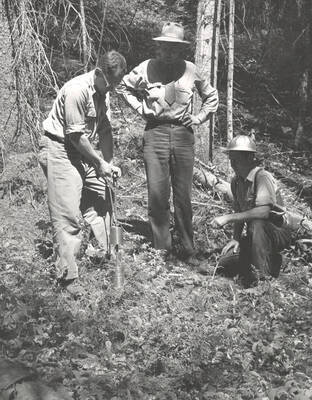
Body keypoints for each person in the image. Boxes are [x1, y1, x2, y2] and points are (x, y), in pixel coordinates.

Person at [117, 22, 218, 265]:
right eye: (165, 47)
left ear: (181, 50)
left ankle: (187, 248)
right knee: (157, 193)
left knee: (182, 195)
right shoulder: (146, 68)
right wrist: (142, 109)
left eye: (174, 48)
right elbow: (123, 87)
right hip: (155, 133)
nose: (169, 52)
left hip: (183, 135)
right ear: (158, 47)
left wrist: (198, 118)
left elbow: (211, 97)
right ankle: (162, 249)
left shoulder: (191, 70)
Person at [39, 50, 127, 292]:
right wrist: (99, 163)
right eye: (112, 83)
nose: (113, 89)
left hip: (82, 152)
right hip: (60, 149)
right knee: (67, 212)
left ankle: (104, 252)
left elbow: (106, 130)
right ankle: (67, 277)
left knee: (102, 194)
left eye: (117, 84)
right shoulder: (77, 90)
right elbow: (76, 136)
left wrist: (108, 164)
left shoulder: (103, 92)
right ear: (99, 73)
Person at [211, 135, 291, 286]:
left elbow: (263, 212)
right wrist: (235, 238)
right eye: (231, 159)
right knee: (224, 263)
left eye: (237, 160)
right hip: (256, 235)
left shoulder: (262, 177)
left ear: (249, 158)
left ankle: (262, 280)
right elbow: (239, 210)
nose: (233, 164)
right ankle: (270, 260)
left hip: (277, 232)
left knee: (257, 223)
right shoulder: (236, 182)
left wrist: (228, 218)